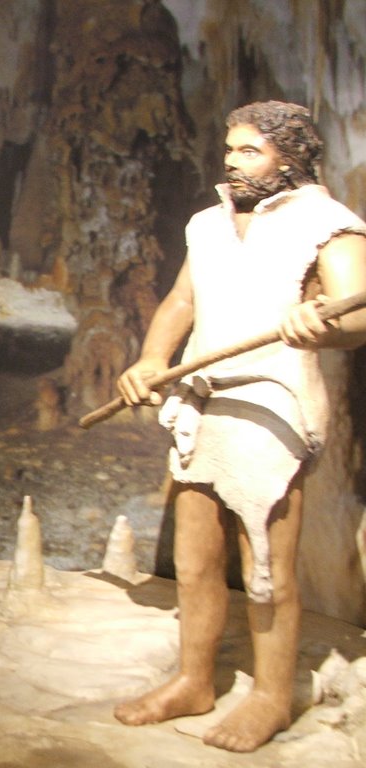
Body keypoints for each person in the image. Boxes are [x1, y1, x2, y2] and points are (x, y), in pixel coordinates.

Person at [113, 100, 366, 752]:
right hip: (204, 401)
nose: (232, 159)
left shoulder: (329, 225)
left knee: (267, 569)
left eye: (249, 149)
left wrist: (326, 324)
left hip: (272, 409)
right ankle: (194, 680)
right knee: (195, 562)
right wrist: (150, 359)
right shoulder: (207, 225)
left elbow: (359, 316)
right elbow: (182, 300)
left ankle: (271, 697)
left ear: (290, 155)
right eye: (230, 147)